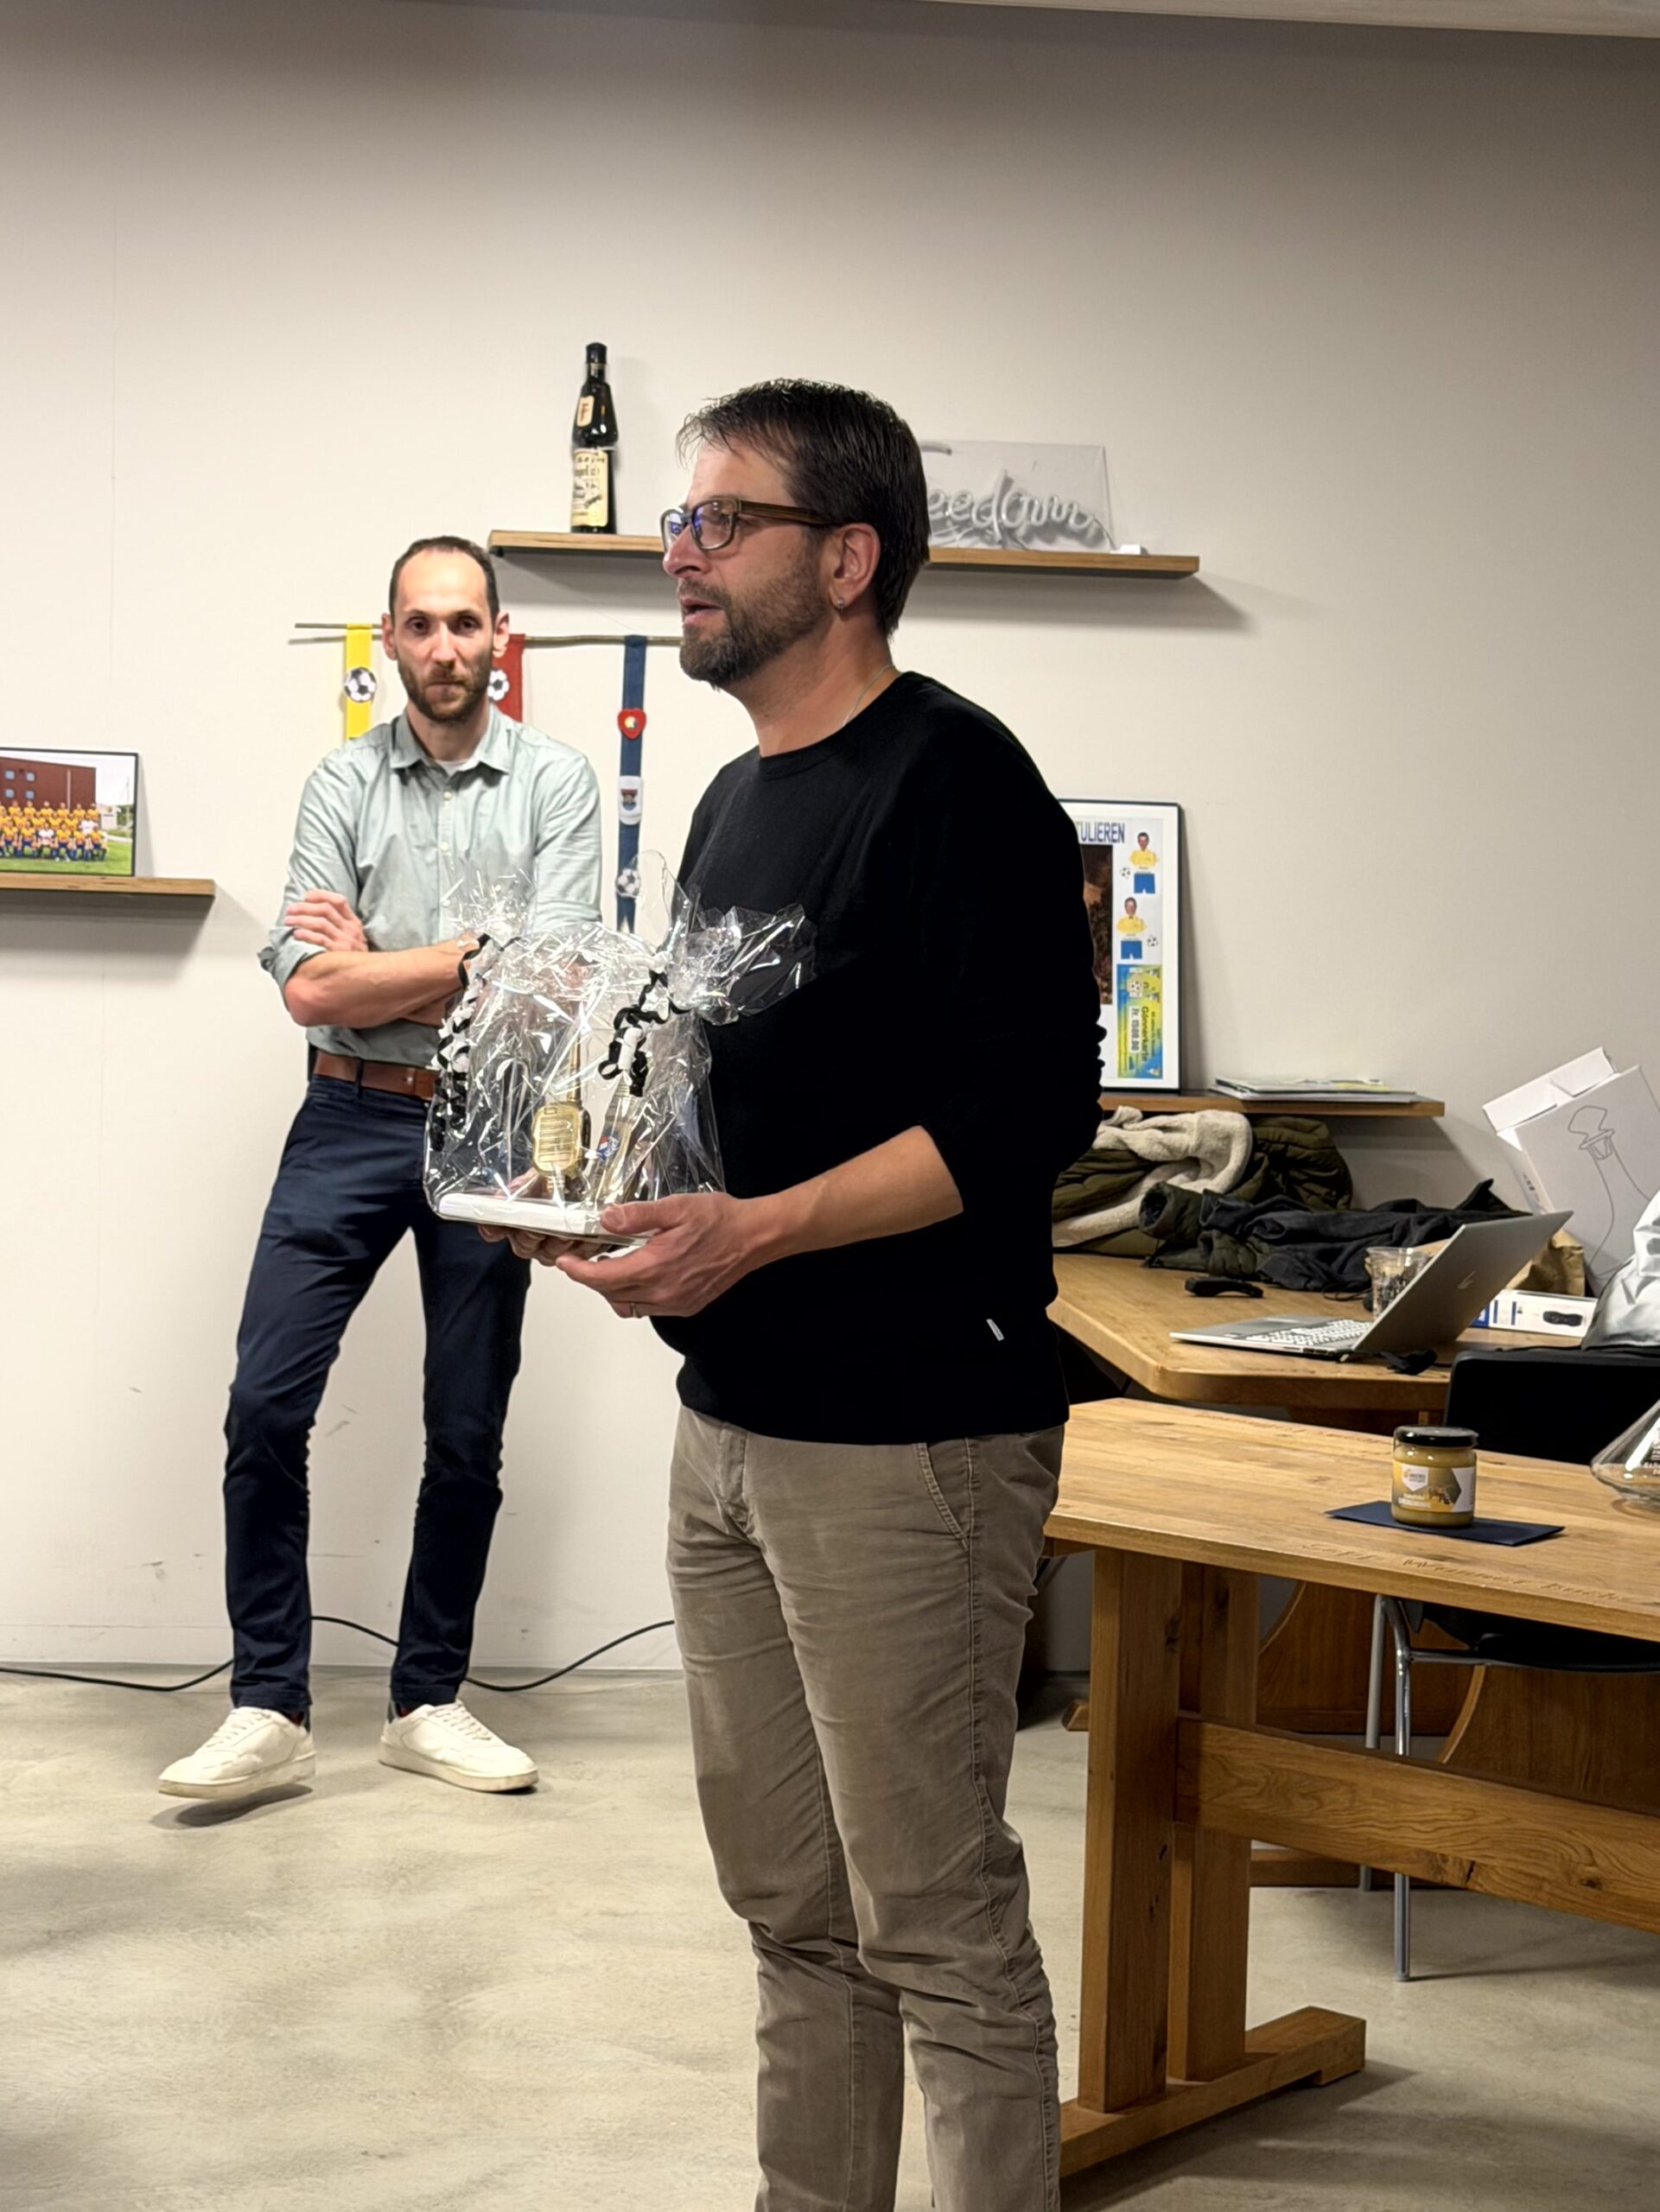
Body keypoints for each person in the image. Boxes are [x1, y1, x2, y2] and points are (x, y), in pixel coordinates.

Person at [499, 384, 1100, 2212]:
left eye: (719, 521)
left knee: (934, 1918)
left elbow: (1023, 1118)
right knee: (789, 1903)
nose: (678, 553)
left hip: (910, 1441)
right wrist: (606, 1206)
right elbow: (717, 1099)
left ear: (846, 559)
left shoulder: (957, 780)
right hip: (730, 1425)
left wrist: (751, 1232)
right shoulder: (733, 800)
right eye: (675, 522)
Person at [160, 537, 601, 1804]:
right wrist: (473, 954)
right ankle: (268, 1708)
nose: (444, 647)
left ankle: (428, 1702)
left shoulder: (558, 782)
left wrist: (382, 965)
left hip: (491, 1122)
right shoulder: (342, 781)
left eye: (465, 623)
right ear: (391, 640)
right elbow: (309, 993)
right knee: (263, 1408)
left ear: (499, 636)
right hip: (346, 1113)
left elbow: (552, 987)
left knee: (466, 1430)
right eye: (421, 624)